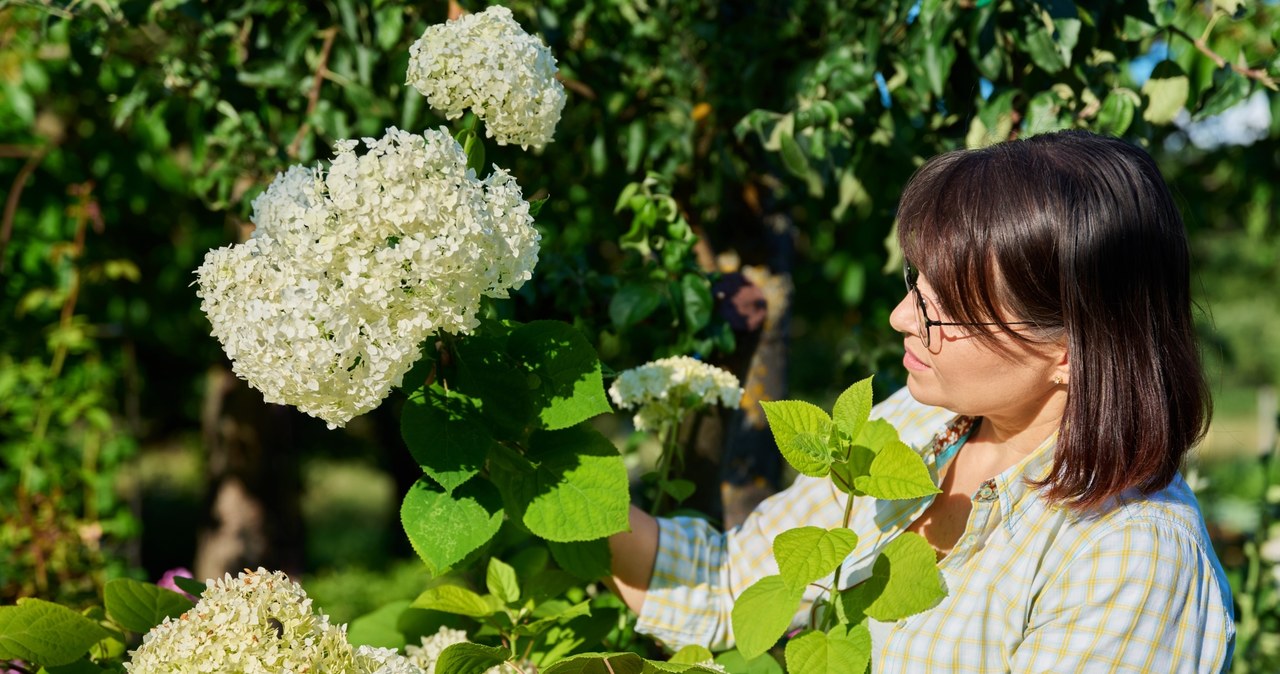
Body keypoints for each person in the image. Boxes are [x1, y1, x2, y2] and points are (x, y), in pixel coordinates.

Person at [607, 130, 1235, 673]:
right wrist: (558, 473)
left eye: (948, 309)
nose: (901, 316)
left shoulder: (1132, 558)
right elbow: (728, 585)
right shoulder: (916, 423)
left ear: (1073, 349)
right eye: (918, 283)